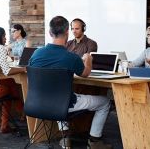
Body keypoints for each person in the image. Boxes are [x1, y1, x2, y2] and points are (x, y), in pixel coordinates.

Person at [29, 16, 112, 149]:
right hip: (62, 104)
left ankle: (65, 137)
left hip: (36, 103)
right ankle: (95, 141)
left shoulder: (36, 54)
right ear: (68, 32)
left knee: (56, 94)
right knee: (105, 102)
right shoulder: (71, 57)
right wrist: (89, 61)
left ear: (50, 33)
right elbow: (85, 74)